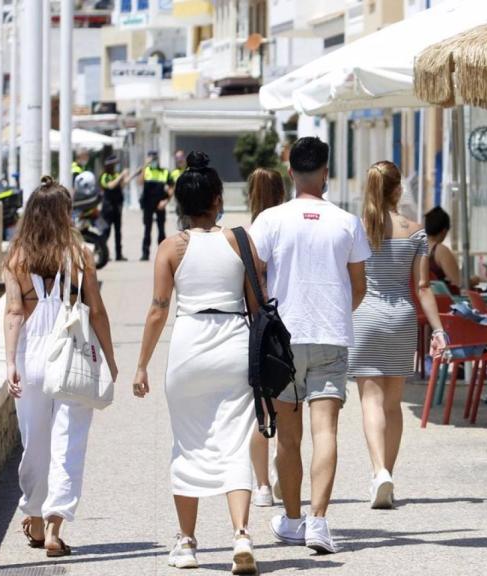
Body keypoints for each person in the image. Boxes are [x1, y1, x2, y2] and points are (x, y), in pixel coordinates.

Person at [131, 152, 260, 574]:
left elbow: (157, 309)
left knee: (188, 443)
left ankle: (187, 543)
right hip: (233, 342)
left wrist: (142, 365)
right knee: (236, 441)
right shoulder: (240, 240)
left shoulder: (171, 248)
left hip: (189, 345)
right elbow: (256, 304)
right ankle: (241, 534)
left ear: (181, 205)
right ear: (218, 200)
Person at [249, 136, 370, 554]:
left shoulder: (269, 220)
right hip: (331, 335)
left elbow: (254, 276)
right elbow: (359, 287)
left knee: (287, 436)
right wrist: (335, 311)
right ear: (326, 173)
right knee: (326, 432)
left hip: (283, 338)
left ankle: (294, 519)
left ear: (290, 172)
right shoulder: (347, 222)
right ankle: (319, 522)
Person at [3, 176, 119, 557]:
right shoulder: (80, 254)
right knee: (69, 440)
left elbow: (14, 313)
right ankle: (54, 526)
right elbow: (97, 310)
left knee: (34, 442)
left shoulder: (16, 257)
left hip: (31, 353)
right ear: (65, 213)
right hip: (70, 351)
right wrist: (110, 359)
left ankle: (34, 518)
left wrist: (9, 363)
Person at [349, 161, 448, 509]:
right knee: (392, 405)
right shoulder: (416, 232)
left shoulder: (358, 230)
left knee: (370, 401)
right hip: (401, 317)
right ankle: (387, 473)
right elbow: (423, 287)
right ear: (397, 190)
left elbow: (351, 282)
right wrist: (439, 330)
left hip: (365, 316)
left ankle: (379, 472)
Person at [242, 167, 287, 508]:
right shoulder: (287, 226)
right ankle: (283, 468)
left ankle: (261, 486)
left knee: (259, 408)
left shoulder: (244, 236)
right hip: (288, 325)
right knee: (286, 405)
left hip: (256, 326)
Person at [137, 150, 174, 261]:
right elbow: (139, 182)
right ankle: (145, 254)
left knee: (161, 230)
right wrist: (145, 165)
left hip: (160, 204)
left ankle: (163, 254)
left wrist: (166, 201)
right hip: (148, 204)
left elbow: (172, 187)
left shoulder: (165, 172)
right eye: (151, 159)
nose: (153, 161)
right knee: (147, 229)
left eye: (155, 159)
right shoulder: (146, 171)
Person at [424, 207, 462, 293]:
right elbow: (459, 282)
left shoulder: (415, 247)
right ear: (444, 231)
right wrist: (474, 280)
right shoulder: (440, 251)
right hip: (440, 301)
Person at [99, 155, 130, 262]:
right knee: (105, 232)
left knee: (118, 232)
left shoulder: (116, 175)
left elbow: (122, 184)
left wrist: (131, 175)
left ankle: (119, 254)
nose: (116, 166)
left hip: (117, 207)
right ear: (109, 165)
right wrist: (121, 175)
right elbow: (111, 185)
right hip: (108, 208)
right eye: (114, 164)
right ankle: (102, 252)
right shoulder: (104, 176)